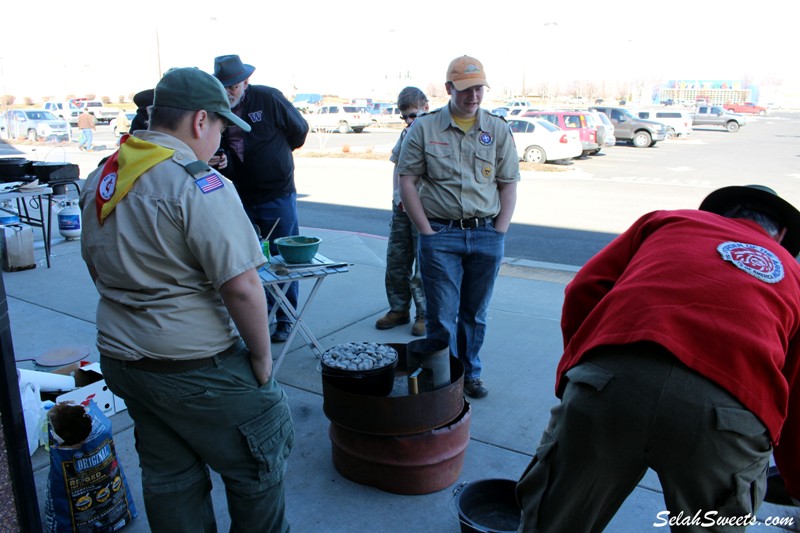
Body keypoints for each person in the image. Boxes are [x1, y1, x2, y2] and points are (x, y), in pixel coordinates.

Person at [79, 67, 294, 532]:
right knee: (260, 460)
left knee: (169, 476)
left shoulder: (106, 176)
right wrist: (261, 358)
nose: (220, 143)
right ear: (201, 121)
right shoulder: (196, 183)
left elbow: (97, 267)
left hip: (124, 360)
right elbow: (241, 285)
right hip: (192, 366)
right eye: (220, 129)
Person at [516, 185, 800, 532]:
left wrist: (582, 373)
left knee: (554, 523)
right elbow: (794, 390)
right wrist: (795, 480)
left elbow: (584, 289)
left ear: (716, 214)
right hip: (730, 415)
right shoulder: (793, 274)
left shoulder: (667, 221)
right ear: (781, 234)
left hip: (613, 382)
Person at [396, 55, 519, 398]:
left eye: (479, 88)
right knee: (441, 315)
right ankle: (443, 379)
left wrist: (500, 230)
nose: (473, 96)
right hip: (440, 234)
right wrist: (425, 231)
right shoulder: (424, 127)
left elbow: (509, 183)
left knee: (475, 314)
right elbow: (408, 181)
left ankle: (471, 373)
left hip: (485, 234)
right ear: (449, 88)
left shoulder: (496, 129)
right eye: (465, 89)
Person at [211, 54, 309, 343]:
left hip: (276, 192)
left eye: (233, 86)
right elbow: (223, 146)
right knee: (251, 258)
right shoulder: (218, 109)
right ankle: (260, 313)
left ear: (245, 82)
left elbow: (299, 131)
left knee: (283, 256)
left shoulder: (268, 99)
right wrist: (223, 159)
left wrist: (274, 158)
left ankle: (285, 317)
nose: (228, 92)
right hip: (241, 194)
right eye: (223, 86)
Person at [375, 86, 429, 337]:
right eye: (404, 116)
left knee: (424, 265)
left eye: (412, 115)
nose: (408, 121)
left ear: (425, 108)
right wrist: (396, 196)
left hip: (425, 209)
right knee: (396, 260)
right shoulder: (406, 133)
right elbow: (397, 166)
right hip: (401, 209)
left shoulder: (433, 132)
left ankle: (424, 314)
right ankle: (398, 308)